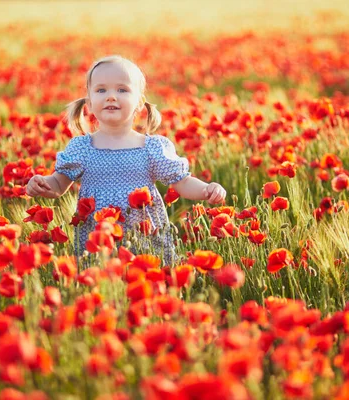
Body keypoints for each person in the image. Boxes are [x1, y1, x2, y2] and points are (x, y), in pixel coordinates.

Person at [26, 55, 226, 265]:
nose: (111, 96)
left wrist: (206, 190)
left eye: (122, 90)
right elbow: (59, 184)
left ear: (139, 103)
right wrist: (43, 184)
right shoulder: (82, 148)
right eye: (101, 90)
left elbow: (183, 182)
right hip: (98, 240)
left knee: (147, 278)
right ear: (90, 104)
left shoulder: (152, 148)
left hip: (143, 239)